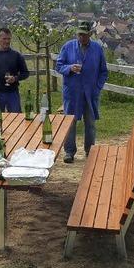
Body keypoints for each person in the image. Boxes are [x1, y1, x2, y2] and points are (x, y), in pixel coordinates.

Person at [56, 21, 108, 164]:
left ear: (90, 34)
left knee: (90, 123)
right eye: (79, 34)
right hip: (72, 93)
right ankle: (69, 152)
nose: (82, 37)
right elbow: (58, 66)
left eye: (84, 35)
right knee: (70, 123)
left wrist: (97, 88)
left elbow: (103, 72)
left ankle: (89, 151)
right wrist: (69, 68)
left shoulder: (97, 49)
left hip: (91, 94)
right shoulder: (67, 47)